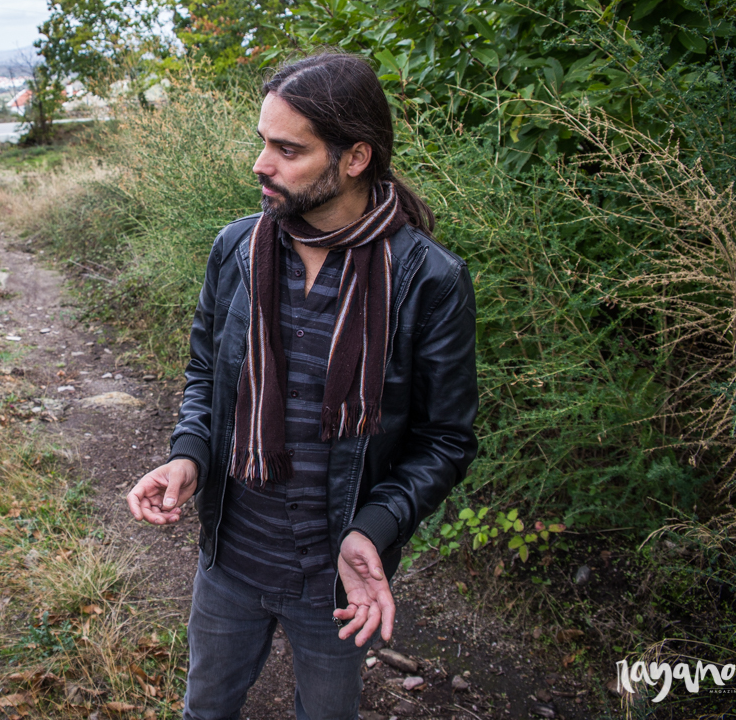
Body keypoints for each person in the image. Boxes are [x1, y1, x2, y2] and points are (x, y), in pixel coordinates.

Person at [127, 53, 478, 720]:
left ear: (353, 158)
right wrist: (187, 454)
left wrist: (372, 529)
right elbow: (206, 378)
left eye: (288, 149)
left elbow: (447, 440)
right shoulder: (236, 250)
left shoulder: (427, 280)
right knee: (205, 708)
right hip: (230, 556)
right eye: (263, 142)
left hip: (339, 577)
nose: (262, 163)